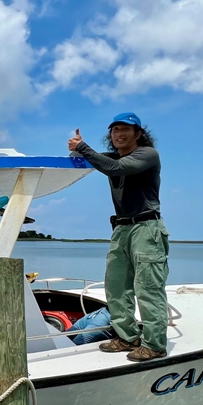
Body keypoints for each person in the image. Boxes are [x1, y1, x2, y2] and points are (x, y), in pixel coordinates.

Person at [67, 112, 170, 362]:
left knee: (148, 288)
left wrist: (82, 147)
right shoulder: (113, 157)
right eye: (115, 130)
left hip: (146, 227)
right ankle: (127, 337)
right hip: (121, 228)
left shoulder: (147, 155)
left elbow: (115, 167)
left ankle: (155, 344)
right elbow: (98, 161)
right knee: (116, 286)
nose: (119, 134)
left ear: (138, 133)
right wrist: (77, 150)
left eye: (125, 129)